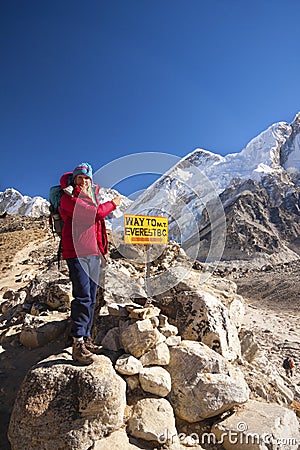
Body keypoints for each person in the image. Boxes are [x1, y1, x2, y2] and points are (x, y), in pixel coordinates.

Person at [59, 163, 121, 364]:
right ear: (74, 180)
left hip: (93, 254)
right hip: (77, 254)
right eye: (80, 178)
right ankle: (77, 343)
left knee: (92, 298)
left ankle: (85, 338)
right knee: (83, 296)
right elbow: (94, 215)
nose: (84, 181)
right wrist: (113, 203)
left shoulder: (91, 198)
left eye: (87, 178)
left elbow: (98, 229)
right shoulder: (68, 198)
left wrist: (103, 252)